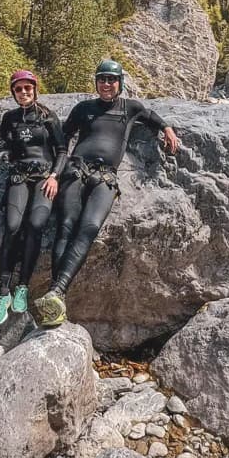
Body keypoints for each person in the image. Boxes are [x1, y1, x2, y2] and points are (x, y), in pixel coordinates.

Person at [34, 60, 180, 327]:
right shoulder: (84, 109)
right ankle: (56, 298)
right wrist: (55, 169)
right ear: (96, 82)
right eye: (102, 79)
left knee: (89, 227)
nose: (106, 84)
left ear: (120, 83)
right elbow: (63, 140)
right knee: (65, 226)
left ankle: (56, 292)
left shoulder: (130, 108)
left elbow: (152, 117)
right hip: (76, 171)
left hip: (106, 178)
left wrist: (167, 129)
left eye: (112, 80)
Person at [0, 70, 67, 325]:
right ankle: (3, 292)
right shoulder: (9, 118)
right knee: (12, 226)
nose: (24, 93)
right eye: (19, 89)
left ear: (35, 90)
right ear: (13, 92)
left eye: (27, 88)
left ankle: (22, 285)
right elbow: (0, 145)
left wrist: (55, 175)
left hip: (44, 177)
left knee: (35, 226)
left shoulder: (48, 117)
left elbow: (62, 150)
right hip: (19, 178)